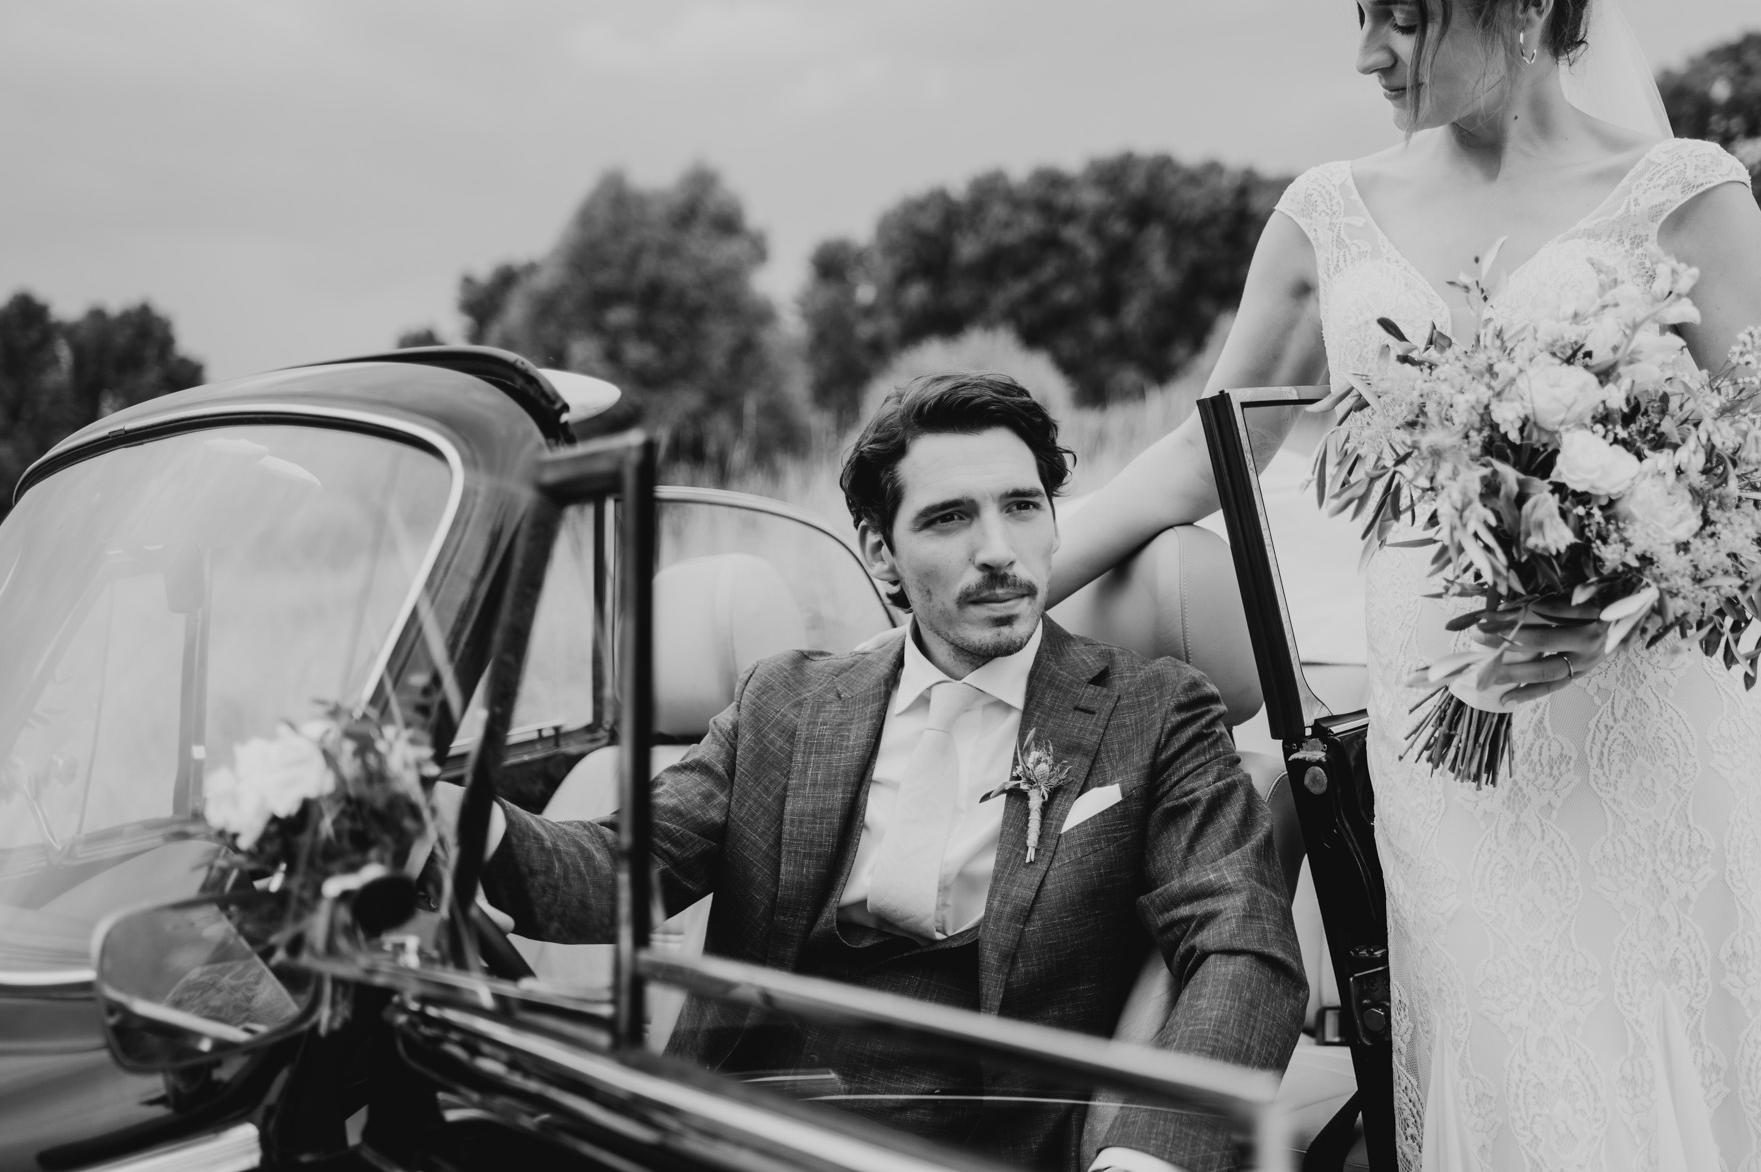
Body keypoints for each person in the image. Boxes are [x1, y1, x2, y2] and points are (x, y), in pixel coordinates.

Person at [1049, 0, 1761, 1167]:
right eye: (1357, 15)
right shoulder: (1326, 216)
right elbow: (1202, 450)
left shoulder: (1685, 198)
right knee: (1520, 1076)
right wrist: (1021, 570)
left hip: (1657, 733)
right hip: (1450, 744)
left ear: (1522, 4)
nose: (1367, 54)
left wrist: (1625, 599)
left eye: (1400, 17)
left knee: (1694, 1068)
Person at [471, 372, 1306, 1172]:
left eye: (1022, 507)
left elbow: (1242, 946)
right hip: (723, 1127)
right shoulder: (784, 701)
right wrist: (471, 825)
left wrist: (1148, 1156)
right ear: (881, 552)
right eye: (948, 518)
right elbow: (621, 871)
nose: (998, 551)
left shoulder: (1155, 711)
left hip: (977, 1147)